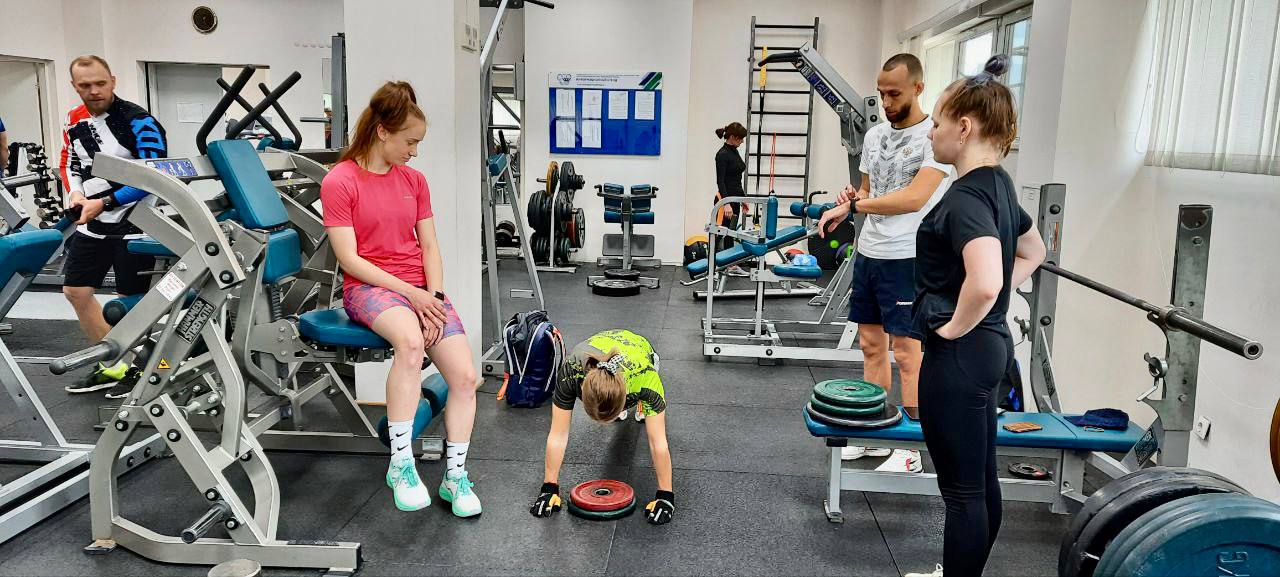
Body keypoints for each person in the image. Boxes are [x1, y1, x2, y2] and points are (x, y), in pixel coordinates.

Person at [902, 55, 1046, 577]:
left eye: (937, 123)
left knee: (962, 493)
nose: (932, 132)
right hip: (990, 350)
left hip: (961, 354)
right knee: (982, 484)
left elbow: (984, 281)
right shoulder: (999, 184)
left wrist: (952, 325)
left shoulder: (964, 196)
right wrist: (990, 300)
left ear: (963, 128)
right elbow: (1034, 250)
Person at [320, 81, 482, 516]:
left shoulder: (415, 180)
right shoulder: (341, 181)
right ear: (382, 132)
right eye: (410, 141)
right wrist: (413, 295)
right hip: (369, 288)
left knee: (466, 376)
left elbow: (429, 247)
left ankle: (455, 477)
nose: (414, 151)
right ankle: (401, 463)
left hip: (420, 289)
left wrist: (435, 296)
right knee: (410, 345)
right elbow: (349, 260)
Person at [816, 53, 952, 472]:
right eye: (881, 93)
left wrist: (857, 207)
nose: (887, 101)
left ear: (917, 88)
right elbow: (867, 191)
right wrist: (849, 202)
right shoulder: (874, 136)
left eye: (894, 93)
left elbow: (914, 198)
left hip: (908, 257)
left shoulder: (934, 137)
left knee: (909, 354)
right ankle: (873, 431)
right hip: (870, 253)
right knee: (871, 346)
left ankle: (909, 449)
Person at [59, 55, 167, 398]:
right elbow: (70, 161)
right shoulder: (75, 120)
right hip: (92, 223)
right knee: (76, 292)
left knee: (130, 304)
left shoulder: (138, 121)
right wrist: (75, 191)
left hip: (135, 224)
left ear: (113, 81)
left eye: (100, 83)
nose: (93, 91)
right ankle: (115, 363)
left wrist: (104, 202)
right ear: (74, 86)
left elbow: (155, 175)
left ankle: (147, 369)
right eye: (85, 85)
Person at [529, 329, 675, 525]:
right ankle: (618, 405)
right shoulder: (571, 371)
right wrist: (549, 488)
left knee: (645, 414)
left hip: (641, 349)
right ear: (582, 392)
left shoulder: (646, 378)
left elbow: (658, 443)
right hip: (599, 346)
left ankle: (637, 406)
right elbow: (558, 434)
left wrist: (666, 496)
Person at [713, 122, 750, 277]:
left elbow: (736, 180)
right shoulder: (722, 154)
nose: (742, 142)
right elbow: (721, 182)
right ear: (733, 137)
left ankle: (730, 266)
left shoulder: (734, 151)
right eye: (740, 139)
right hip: (724, 201)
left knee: (731, 233)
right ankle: (712, 266)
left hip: (734, 199)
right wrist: (725, 203)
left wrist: (743, 199)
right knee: (719, 233)